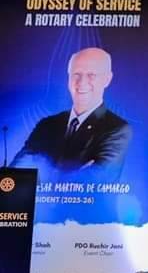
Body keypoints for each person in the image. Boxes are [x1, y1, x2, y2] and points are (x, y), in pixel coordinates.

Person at [13, 47, 131, 180]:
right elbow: (17, 175)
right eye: (76, 74)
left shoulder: (117, 129)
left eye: (91, 75)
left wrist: (43, 174)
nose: (82, 82)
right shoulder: (47, 125)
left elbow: (93, 181)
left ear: (107, 79)